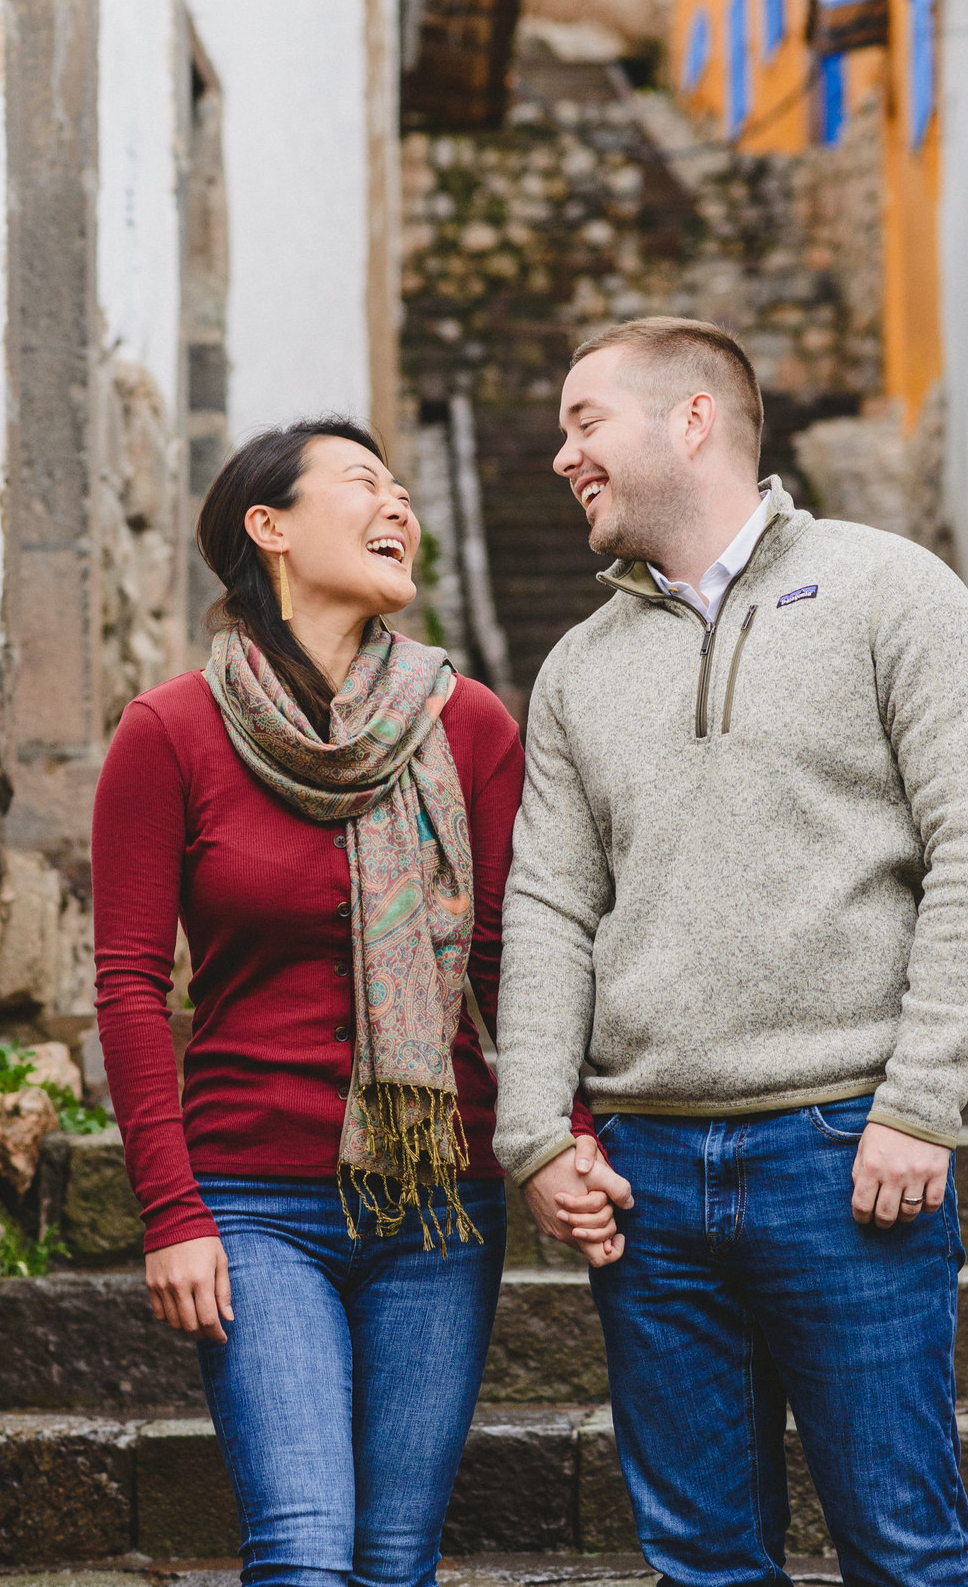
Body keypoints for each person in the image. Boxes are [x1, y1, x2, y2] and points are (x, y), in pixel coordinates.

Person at [493, 318, 968, 1587]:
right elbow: (550, 907)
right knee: (702, 1557)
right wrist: (535, 1134)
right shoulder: (578, 668)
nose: (560, 456)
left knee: (900, 1550)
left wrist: (920, 1104)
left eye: (584, 422)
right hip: (646, 1178)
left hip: (847, 1156)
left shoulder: (889, 590)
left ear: (692, 419)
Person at [92, 416, 617, 1587]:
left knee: (393, 1552)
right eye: (362, 484)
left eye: (402, 491)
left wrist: (562, 1130)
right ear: (268, 528)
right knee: (303, 1545)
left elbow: (505, 958)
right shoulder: (170, 732)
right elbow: (129, 986)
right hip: (252, 1199)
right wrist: (171, 1210)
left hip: (438, 1203)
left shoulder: (467, 721)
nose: (399, 508)